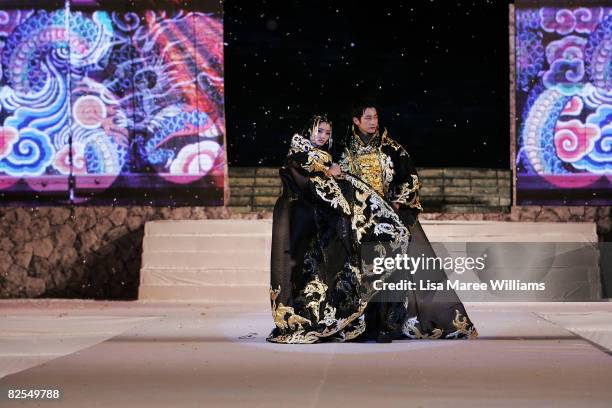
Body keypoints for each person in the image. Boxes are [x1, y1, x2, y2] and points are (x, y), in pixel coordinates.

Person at [337, 99, 478, 342]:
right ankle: (358, 323)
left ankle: (397, 322)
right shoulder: (341, 151)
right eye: (368, 118)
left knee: (406, 268)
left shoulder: (392, 149)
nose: (373, 122)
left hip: (389, 219)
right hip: (356, 222)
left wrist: (397, 204)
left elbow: (410, 179)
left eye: (376, 118)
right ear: (356, 121)